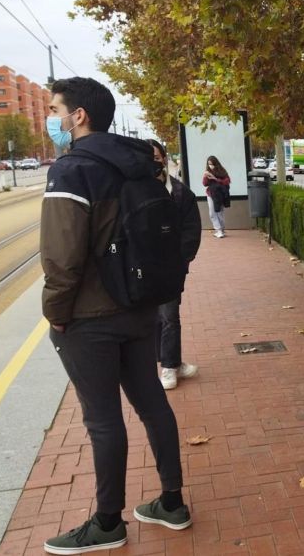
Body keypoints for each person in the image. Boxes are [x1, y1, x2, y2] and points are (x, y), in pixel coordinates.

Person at [40, 77, 192, 555]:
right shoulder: (138, 165)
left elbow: (62, 257)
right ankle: (172, 503)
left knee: (103, 421)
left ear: (78, 116)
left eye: (54, 109)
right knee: (152, 405)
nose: (52, 119)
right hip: (139, 306)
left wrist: (56, 313)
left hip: (89, 317)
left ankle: (108, 523)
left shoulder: (72, 170)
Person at [148, 139, 201, 390]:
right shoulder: (132, 191)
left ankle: (169, 366)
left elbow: (192, 230)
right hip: (142, 268)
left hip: (171, 268)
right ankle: (170, 362)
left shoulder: (181, 193)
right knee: (152, 318)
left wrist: (182, 259)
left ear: (165, 158)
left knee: (169, 316)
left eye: (157, 157)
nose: (153, 162)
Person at [202, 155, 231, 238]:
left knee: (220, 212)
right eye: (209, 164)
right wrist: (205, 176)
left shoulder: (222, 171)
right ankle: (218, 230)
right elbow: (204, 184)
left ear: (216, 163)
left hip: (220, 194)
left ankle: (221, 229)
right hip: (210, 194)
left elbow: (227, 181)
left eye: (212, 164)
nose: (211, 166)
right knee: (212, 212)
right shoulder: (207, 171)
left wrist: (215, 178)